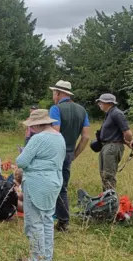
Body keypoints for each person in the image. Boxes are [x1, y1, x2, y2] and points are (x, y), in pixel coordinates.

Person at [16, 109, 66, 261]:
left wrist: (31, 163)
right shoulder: (60, 137)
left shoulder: (38, 138)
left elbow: (21, 161)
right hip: (54, 182)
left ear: (37, 125)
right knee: (47, 220)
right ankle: (46, 258)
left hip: (37, 184)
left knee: (34, 223)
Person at [49, 80, 90, 232]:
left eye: (54, 93)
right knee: (63, 187)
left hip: (55, 153)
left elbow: (55, 132)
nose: (53, 96)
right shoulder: (82, 110)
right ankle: (63, 222)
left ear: (59, 93)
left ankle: (57, 220)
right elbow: (86, 137)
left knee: (52, 186)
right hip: (69, 153)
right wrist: (74, 154)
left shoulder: (56, 109)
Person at [96, 93, 133, 191]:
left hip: (112, 147)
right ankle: (106, 200)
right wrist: (126, 143)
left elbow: (127, 132)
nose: (99, 104)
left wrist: (130, 142)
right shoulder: (110, 113)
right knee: (104, 174)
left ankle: (111, 201)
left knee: (108, 175)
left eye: (100, 102)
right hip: (107, 146)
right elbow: (118, 133)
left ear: (108, 103)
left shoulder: (116, 113)